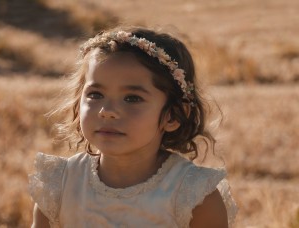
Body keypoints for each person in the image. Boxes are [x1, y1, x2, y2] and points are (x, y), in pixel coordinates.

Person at [29, 26, 237, 228]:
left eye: (132, 98)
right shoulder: (59, 186)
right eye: (95, 95)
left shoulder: (193, 196)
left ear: (173, 115)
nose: (107, 110)